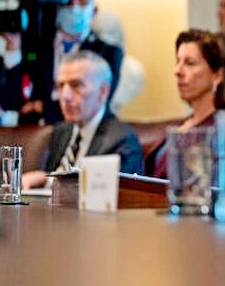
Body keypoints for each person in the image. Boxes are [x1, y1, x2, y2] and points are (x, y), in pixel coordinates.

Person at [2, 0, 123, 125]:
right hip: (33, 133)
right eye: (67, 0)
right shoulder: (38, 46)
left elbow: (94, 103)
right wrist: (13, 46)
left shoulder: (108, 52)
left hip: (83, 132)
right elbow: (12, 100)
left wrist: (41, 107)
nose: (74, 6)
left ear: (94, 11)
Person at [21, 51, 142, 189]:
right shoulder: (61, 131)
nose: (65, 96)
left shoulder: (121, 139)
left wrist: (45, 180)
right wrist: (42, 178)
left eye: (76, 85)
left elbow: (114, 195)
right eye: (61, 86)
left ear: (103, 92)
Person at [145, 29, 225, 178]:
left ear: (217, 75)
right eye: (178, 61)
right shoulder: (182, 124)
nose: (177, 71)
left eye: (189, 63)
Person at [91, 10, 146, 114]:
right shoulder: (86, 72)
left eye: (110, 32)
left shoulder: (134, 71)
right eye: (99, 33)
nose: (105, 38)